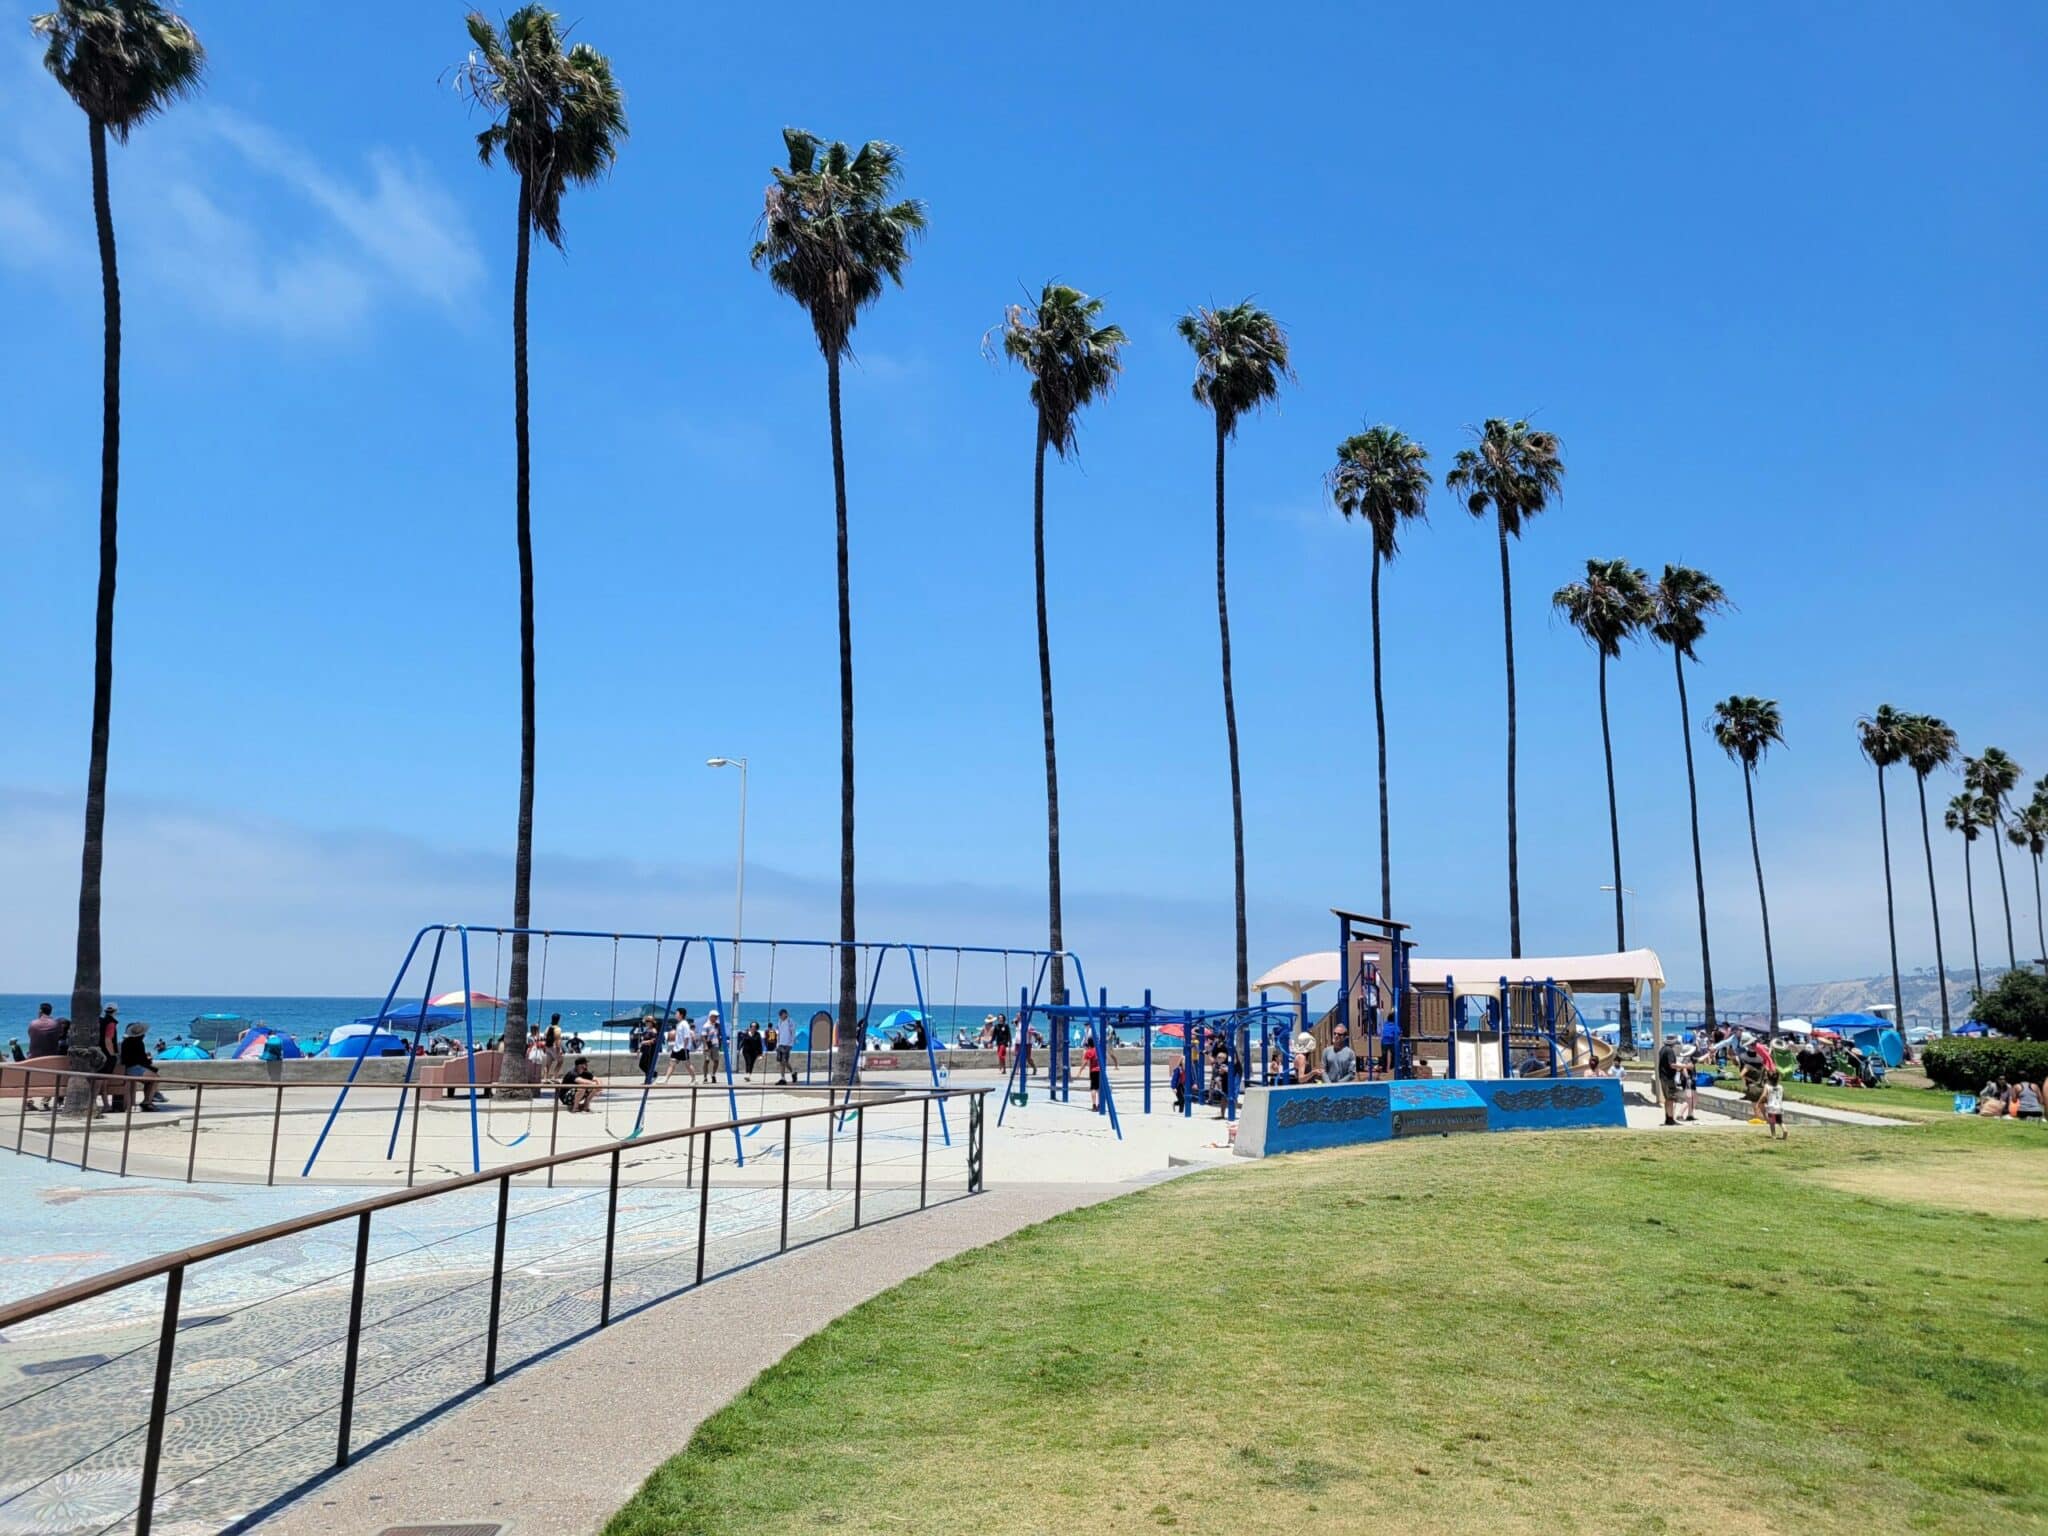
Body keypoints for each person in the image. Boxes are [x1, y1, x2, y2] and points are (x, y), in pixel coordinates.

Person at [25, 1006, 66, 1111]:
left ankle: (28, 1102)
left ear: (40, 1011)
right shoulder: (55, 1024)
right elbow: (59, 1035)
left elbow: (30, 1035)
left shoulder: (33, 1023)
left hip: (33, 1058)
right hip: (51, 1058)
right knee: (51, 1080)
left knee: (30, 1080)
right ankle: (44, 1102)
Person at [119, 1022, 167, 1110]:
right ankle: (147, 1101)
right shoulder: (138, 1043)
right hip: (134, 1068)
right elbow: (141, 1060)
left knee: (150, 1080)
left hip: (128, 1067)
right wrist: (148, 1059)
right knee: (156, 1078)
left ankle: (147, 1101)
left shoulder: (125, 1042)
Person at [1656, 1036, 1683, 1126]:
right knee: (1671, 1098)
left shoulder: (1662, 1049)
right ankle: (1671, 1119)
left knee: (1667, 1099)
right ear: (1673, 1042)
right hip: (1668, 1078)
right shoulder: (1670, 1051)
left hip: (1663, 1077)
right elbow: (1672, 1065)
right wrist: (1683, 1066)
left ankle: (1668, 1118)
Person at [663, 1011, 696, 1084]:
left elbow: (687, 1036)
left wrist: (685, 1046)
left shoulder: (685, 1024)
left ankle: (694, 1079)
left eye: (676, 1013)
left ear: (681, 1015)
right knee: (672, 1063)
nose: (675, 1015)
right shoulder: (679, 1024)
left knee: (687, 1064)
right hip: (676, 1048)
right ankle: (666, 1079)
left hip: (683, 1048)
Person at [633, 1020, 661, 1086]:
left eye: (648, 1022)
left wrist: (645, 1042)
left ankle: (647, 1081)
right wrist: (639, 1048)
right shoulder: (647, 1030)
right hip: (645, 1050)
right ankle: (652, 1075)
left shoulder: (654, 1030)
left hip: (650, 1050)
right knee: (642, 1065)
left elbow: (654, 1040)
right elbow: (642, 1040)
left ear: (651, 1023)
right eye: (646, 1022)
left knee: (647, 1065)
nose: (646, 1023)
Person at [1763, 1070, 1787, 1139]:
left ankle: (1773, 1135)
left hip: (1771, 1107)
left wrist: (1764, 1101)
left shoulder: (1767, 1086)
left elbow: (1764, 1095)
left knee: (1772, 1121)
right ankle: (1785, 1130)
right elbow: (1783, 1096)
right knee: (1780, 1121)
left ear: (1768, 1078)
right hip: (1779, 1106)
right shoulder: (1781, 1087)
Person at [774, 1011, 796, 1084]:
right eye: (780, 1015)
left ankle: (788, 1076)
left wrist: (791, 1044)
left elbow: (793, 1033)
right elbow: (779, 1033)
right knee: (781, 1062)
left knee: (784, 1061)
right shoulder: (779, 1022)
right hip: (780, 1044)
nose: (781, 1016)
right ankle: (784, 1077)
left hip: (787, 1044)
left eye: (782, 1015)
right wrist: (777, 1043)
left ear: (786, 1014)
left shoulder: (790, 1021)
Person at [1083, 1036, 1100, 1106]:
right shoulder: (1098, 1050)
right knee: (1099, 1088)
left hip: (1093, 1071)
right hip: (1099, 1071)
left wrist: (1080, 1070)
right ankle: (1100, 1103)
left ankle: (1094, 1104)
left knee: (1093, 1088)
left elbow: (1085, 1062)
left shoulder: (1088, 1052)